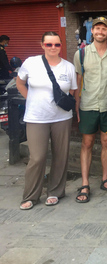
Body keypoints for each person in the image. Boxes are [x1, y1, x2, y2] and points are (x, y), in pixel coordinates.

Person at [17, 32, 77, 210]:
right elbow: (20, 83)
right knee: (37, 157)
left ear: (60, 46)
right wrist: (30, 99)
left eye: (57, 45)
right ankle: (30, 195)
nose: (53, 48)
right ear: (42, 45)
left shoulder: (68, 67)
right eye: (49, 44)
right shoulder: (31, 62)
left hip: (61, 118)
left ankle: (55, 192)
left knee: (61, 156)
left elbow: (72, 90)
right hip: (36, 117)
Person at [74, 17, 107, 203]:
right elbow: (78, 81)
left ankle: (105, 179)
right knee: (87, 143)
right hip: (88, 105)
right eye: (97, 28)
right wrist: (76, 106)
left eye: (104, 29)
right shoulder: (81, 54)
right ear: (91, 32)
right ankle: (85, 183)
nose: (100, 32)